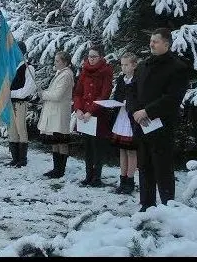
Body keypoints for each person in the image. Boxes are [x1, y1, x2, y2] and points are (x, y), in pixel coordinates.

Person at [128, 28, 189, 212]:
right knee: (144, 166)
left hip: (162, 127)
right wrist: (135, 112)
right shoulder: (143, 66)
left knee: (163, 168)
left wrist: (147, 111)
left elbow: (172, 98)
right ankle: (146, 205)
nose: (151, 44)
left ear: (166, 44)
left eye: (155, 41)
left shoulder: (178, 67)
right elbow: (131, 92)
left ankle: (168, 207)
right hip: (142, 125)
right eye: (151, 41)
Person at [73, 44, 113, 187]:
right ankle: (88, 175)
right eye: (89, 56)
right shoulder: (84, 70)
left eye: (94, 56)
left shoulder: (106, 71)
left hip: (98, 114)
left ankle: (97, 177)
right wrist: (78, 109)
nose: (91, 59)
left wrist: (91, 111)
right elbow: (78, 92)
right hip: (84, 114)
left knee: (97, 147)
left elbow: (104, 94)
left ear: (101, 57)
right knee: (88, 146)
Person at [37, 51, 75, 178]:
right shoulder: (60, 74)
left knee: (61, 141)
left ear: (65, 62)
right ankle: (56, 168)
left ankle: (61, 169)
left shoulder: (66, 75)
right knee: (55, 141)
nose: (55, 62)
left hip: (60, 113)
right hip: (54, 112)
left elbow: (58, 95)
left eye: (57, 60)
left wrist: (44, 94)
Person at [109, 52, 139, 194]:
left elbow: (140, 98)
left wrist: (129, 103)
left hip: (131, 118)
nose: (124, 67)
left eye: (126, 64)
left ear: (134, 65)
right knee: (122, 150)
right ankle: (122, 179)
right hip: (121, 115)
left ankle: (130, 181)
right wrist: (116, 102)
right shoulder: (121, 79)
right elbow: (117, 95)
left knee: (131, 151)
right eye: (122, 64)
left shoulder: (138, 79)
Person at [5, 41, 37, 168]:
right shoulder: (10, 67)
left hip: (20, 103)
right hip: (10, 103)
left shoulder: (28, 68)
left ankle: (22, 159)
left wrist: (11, 94)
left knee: (21, 129)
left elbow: (28, 89)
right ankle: (15, 158)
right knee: (12, 130)